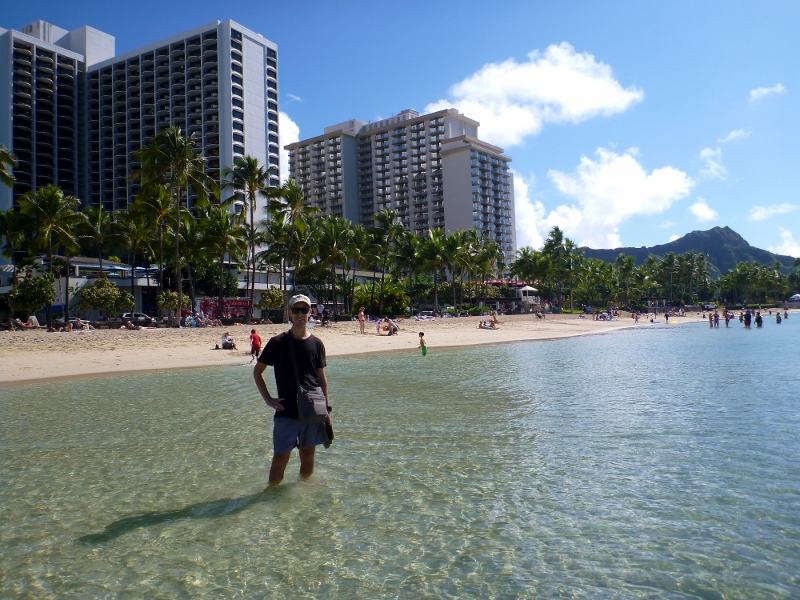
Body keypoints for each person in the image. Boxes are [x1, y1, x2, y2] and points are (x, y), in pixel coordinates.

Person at [254, 294, 331, 485]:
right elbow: (258, 372)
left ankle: (304, 493)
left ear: (310, 313)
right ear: (289, 312)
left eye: (304, 310)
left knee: (308, 455)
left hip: (312, 411)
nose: (300, 314)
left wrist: (327, 409)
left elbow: (321, 377)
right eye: (296, 310)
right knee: (280, 458)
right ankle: (272, 497)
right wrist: (269, 400)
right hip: (286, 412)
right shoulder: (277, 342)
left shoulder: (317, 344)